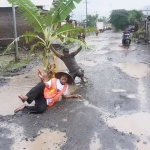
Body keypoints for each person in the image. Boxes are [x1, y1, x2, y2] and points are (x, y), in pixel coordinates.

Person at [14, 70, 81, 114]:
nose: (64, 78)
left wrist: (73, 95)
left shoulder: (66, 86)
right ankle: (26, 97)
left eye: (66, 77)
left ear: (67, 80)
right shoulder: (54, 80)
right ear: (60, 77)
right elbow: (46, 84)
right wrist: (43, 79)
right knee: (42, 84)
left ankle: (24, 108)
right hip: (41, 94)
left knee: (41, 109)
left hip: (45, 100)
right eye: (63, 76)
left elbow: (64, 96)